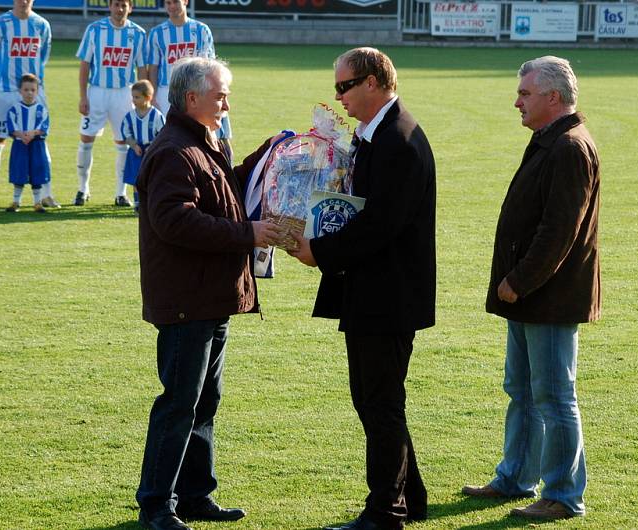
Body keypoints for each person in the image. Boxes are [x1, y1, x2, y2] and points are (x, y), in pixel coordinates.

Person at [288, 47, 436, 530]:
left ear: (373, 82)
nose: (338, 96)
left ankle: (385, 512)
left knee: (380, 404)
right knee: (377, 400)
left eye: (344, 86)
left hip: (387, 295)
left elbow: (379, 225)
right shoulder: (379, 135)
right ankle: (409, 500)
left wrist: (319, 252)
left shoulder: (398, 138)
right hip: (376, 290)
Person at [135, 56, 281, 530]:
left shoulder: (200, 141)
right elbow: (174, 220)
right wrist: (248, 233)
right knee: (179, 402)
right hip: (186, 301)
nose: (226, 101)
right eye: (220, 94)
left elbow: (221, 193)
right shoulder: (174, 149)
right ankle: (157, 504)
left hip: (209, 297)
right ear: (191, 98)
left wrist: (264, 160)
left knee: (203, 402)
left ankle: (195, 494)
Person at [461, 55, 600, 521]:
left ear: (553, 97)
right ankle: (516, 476)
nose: (516, 101)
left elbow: (559, 231)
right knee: (521, 388)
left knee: (555, 397)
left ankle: (562, 494)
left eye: (525, 93)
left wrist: (518, 281)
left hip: (548, 297)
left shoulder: (569, 148)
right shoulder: (551, 141)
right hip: (531, 295)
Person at [0, 0, 57, 208]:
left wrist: (33, 85)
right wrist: (3, 80)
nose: (23, 1)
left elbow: (43, 57)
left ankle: (46, 194)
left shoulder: (42, 25)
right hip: (5, 91)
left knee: (39, 141)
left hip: (34, 92)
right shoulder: (0, 23)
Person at [74, 0, 147, 207]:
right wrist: (83, 96)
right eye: (116, 4)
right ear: (110, 6)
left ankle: (120, 193)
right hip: (97, 91)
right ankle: (82, 189)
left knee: (124, 142)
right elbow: (85, 64)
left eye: (124, 5)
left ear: (130, 7)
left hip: (124, 94)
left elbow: (141, 68)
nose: (119, 9)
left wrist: (143, 97)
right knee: (86, 138)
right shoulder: (95, 29)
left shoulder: (138, 33)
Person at [146, 0, 233, 159]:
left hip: (200, 90)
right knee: (170, 137)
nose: (172, 6)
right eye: (168, 3)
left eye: (175, 2)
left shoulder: (201, 30)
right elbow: (153, 67)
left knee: (218, 136)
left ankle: (225, 172)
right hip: (168, 93)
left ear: (185, 2)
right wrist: (152, 96)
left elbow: (210, 65)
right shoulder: (157, 33)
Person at [4, 73, 51, 213]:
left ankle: (37, 203)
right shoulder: (14, 109)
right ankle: (16, 202)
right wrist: (20, 134)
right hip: (20, 145)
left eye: (33, 90)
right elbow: (11, 127)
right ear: (20, 91)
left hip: (36, 145)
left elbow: (44, 127)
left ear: (37, 91)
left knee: (37, 172)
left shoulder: (42, 110)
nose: (29, 93)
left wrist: (33, 134)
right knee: (19, 171)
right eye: (26, 90)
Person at [119, 79, 164, 213]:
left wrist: (153, 147)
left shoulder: (156, 115)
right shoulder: (130, 116)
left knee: (152, 178)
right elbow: (125, 133)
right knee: (135, 178)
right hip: (136, 151)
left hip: (152, 152)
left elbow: (163, 134)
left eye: (137, 97)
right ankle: (138, 203)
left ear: (148, 97)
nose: (134, 100)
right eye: (133, 97)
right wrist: (133, 145)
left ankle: (150, 202)